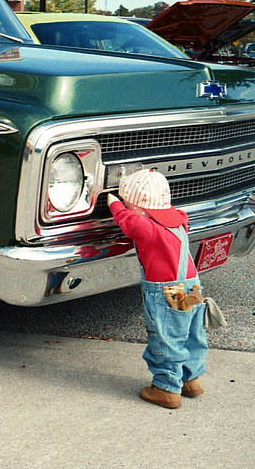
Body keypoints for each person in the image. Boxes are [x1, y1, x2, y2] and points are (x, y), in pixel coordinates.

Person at [107, 169, 207, 409]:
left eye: (129, 205)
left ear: (140, 209)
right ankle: (190, 380)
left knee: (166, 339)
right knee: (191, 335)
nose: (127, 208)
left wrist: (114, 204)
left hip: (166, 293)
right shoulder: (180, 219)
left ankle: (166, 389)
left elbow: (128, 222)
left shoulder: (146, 228)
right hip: (192, 288)